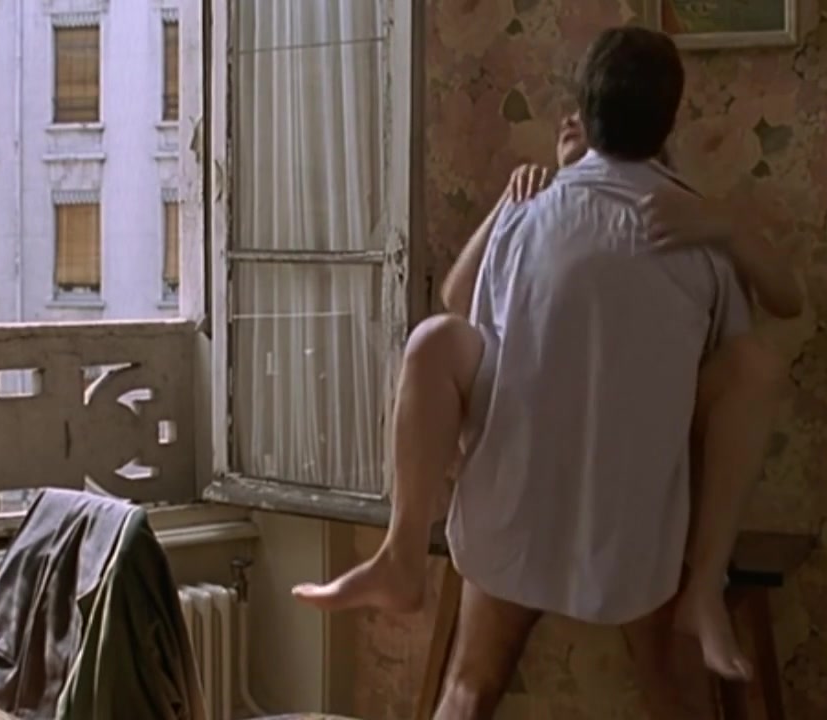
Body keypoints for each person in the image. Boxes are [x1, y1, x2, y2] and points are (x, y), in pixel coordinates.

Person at [293, 26, 797, 716]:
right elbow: (763, 325)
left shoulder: (531, 216)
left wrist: (531, 194)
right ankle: (702, 589)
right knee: (674, 695)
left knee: (469, 686)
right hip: (634, 525)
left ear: (583, 116)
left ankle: (400, 549)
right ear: (668, 122)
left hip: (516, 506)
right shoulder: (694, 234)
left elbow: (461, 305)